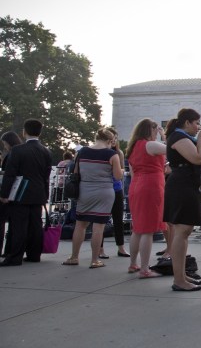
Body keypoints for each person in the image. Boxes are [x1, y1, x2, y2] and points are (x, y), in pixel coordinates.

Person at [61, 128, 123, 268]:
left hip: (85, 190)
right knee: (98, 227)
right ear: (108, 141)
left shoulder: (81, 152)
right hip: (104, 191)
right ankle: (94, 260)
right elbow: (117, 176)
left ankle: (74, 257)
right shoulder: (112, 154)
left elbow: (76, 172)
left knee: (80, 225)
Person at [164, 108, 201, 291]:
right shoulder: (178, 137)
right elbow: (197, 158)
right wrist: (200, 139)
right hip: (181, 186)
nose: (199, 126)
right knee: (182, 231)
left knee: (184, 231)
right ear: (187, 123)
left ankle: (182, 276)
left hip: (187, 185)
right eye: (197, 123)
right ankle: (179, 279)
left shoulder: (184, 138)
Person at [0, 121, 52, 266]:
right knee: (36, 226)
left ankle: (15, 256)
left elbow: (10, 174)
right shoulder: (46, 151)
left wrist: (4, 194)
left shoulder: (18, 150)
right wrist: (45, 194)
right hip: (38, 192)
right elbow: (46, 176)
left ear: (24, 132)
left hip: (21, 193)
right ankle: (34, 255)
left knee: (19, 226)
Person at [126, 119, 167, 278]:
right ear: (148, 130)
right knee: (148, 230)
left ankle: (133, 263)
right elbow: (173, 149)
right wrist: (164, 137)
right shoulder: (150, 145)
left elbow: (132, 172)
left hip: (136, 185)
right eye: (155, 129)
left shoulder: (133, 147)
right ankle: (144, 269)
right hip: (151, 185)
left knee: (138, 228)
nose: (157, 131)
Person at [99, 127, 128, 259]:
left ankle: (121, 247)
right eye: (112, 138)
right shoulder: (101, 152)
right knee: (101, 220)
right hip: (104, 188)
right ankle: (100, 249)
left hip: (116, 188)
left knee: (118, 219)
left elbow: (120, 172)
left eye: (116, 138)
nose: (114, 141)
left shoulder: (118, 153)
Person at [0, 131, 24, 259]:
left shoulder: (12, 155)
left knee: (2, 222)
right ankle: (9, 250)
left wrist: (4, 194)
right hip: (18, 193)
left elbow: (9, 174)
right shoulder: (20, 152)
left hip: (9, 192)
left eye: (5, 143)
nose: (4, 146)